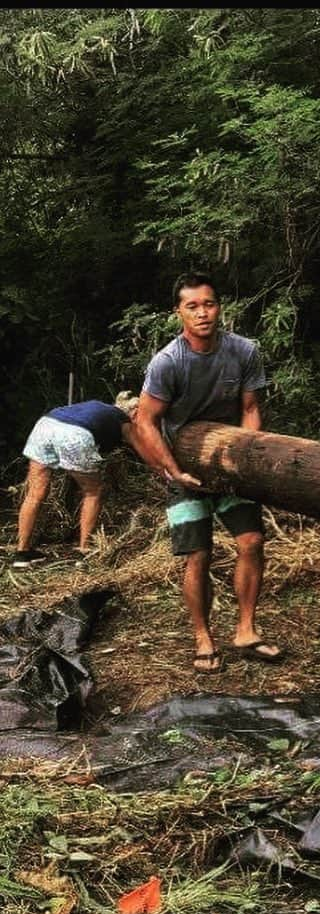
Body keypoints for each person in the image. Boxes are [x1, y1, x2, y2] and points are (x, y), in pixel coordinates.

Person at [135, 271, 284, 674]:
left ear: (220, 306)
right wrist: (171, 469)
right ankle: (203, 638)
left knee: (252, 541)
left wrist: (244, 458)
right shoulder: (168, 362)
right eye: (192, 306)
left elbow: (251, 409)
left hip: (228, 466)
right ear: (178, 312)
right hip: (182, 471)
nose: (203, 313)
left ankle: (246, 631)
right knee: (198, 555)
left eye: (210, 304)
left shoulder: (243, 351)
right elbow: (145, 421)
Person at [12, 391, 141, 568]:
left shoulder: (98, 407)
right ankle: (84, 552)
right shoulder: (123, 420)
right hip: (74, 435)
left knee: (35, 493)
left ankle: (22, 553)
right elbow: (142, 447)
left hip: (45, 425)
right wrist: (162, 467)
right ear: (135, 412)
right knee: (93, 492)